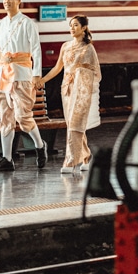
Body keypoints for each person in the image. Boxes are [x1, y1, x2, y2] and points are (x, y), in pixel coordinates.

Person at [0, 0, 47, 171]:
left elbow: (36, 49)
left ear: (19, 1)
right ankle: (7, 159)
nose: (7, 1)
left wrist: (37, 74)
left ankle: (39, 145)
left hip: (22, 74)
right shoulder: (0, 25)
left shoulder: (28, 23)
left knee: (23, 116)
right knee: (5, 117)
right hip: (3, 76)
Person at [37, 15, 101, 173]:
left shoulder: (88, 48)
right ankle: (86, 157)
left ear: (84, 28)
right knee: (74, 124)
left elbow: (95, 72)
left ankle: (71, 162)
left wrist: (81, 74)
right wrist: (43, 80)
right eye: (71, 25)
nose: (72, 28)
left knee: (75, 124)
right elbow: (58, 68)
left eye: (76, 25)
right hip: (66, 89)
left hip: (82, 91)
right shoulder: (65, 46)